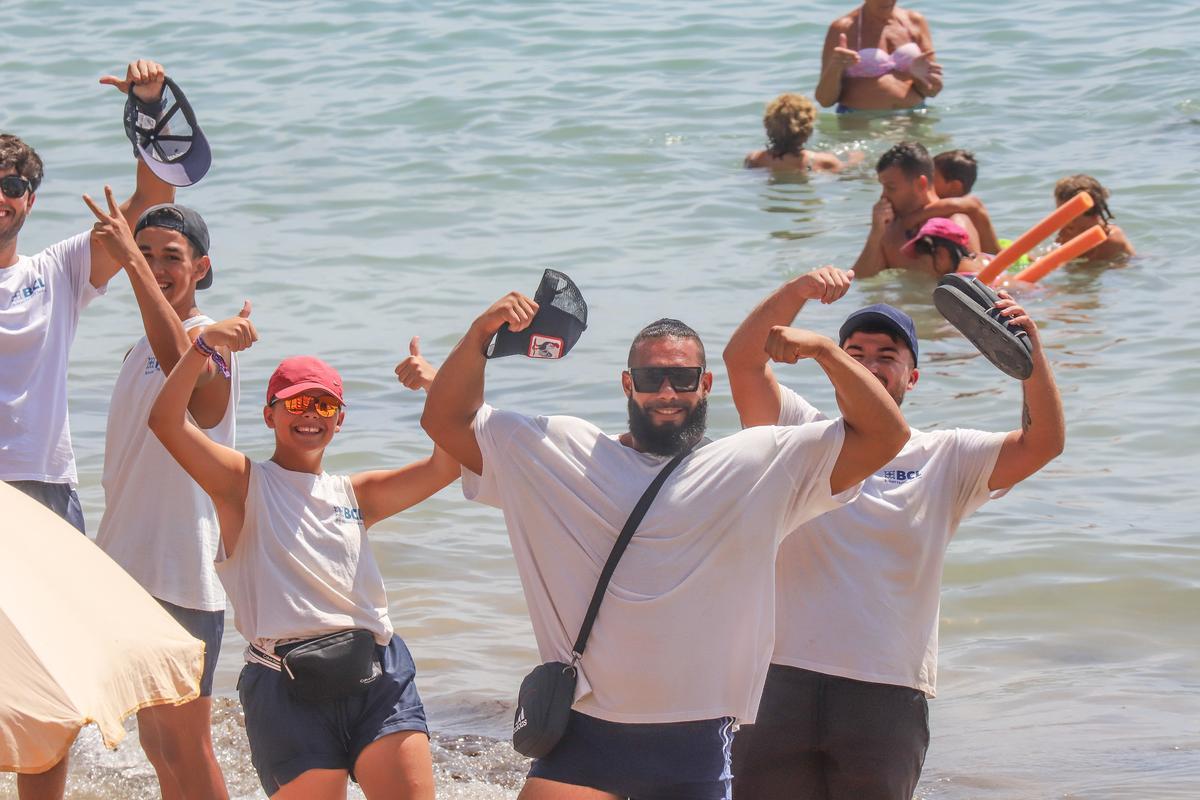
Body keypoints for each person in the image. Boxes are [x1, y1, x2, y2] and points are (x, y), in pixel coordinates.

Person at [420, 291, 908, 800]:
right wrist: (481, 333)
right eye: (652, 379)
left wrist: (828, 353)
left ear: (707, 384)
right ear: (628, 384)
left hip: (694, 740)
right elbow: (446, 421)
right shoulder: (562, 451)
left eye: (684, 378)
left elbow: (883, 436)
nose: (668, 392)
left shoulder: (758, 462)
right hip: (584, 733)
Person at [722, 267, 1065, 800]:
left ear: (913, 377)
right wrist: (798, 293)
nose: (869, 366)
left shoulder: (947, 455)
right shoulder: (796, 429)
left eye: (887, 357)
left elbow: (1042, 443)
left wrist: (1029, 356)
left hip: (886, 688)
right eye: (854, 353)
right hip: (776, 680)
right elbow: (743, 362)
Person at [148, 309, 455, 800]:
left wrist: (436, 388)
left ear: (340, 419)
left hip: (376, 674)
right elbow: (165, 421)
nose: (310, 414)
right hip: (283, 683)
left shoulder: (359, 493)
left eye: (324, 405)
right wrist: (203, 345)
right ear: (269, 414)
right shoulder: (241, 484)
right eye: (296, 403)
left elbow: (449, 464)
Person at [0, 58, 175, 800]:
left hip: (42, 488)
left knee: (55, 674)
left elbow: (154, 200)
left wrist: (150, 105)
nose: (0, 198)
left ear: (29, 199)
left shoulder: (59, 270)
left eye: (12, 187)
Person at [82, 191, 233, 800]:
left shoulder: (211, 339)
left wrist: (134, 267)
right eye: (142, 254)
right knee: (155, 744)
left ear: (201, 267)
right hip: (126, 567)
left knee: (186, 743)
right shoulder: (137, 347)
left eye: (170, 256)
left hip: (181, 572)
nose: (154, 265)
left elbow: (191, 380)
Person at [853, 142, 989, 278]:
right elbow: (862, 278)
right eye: (883, 187)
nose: (883, 195)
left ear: (920, 183)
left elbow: (974, 289)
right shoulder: (891, 230)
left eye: (891, 187)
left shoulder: (954, 225)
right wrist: (876, 233)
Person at [815, 1, 942, 113]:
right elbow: (825, 100)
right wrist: (835, 67)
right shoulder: (843, 28)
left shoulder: (915, 21)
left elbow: (932, 91)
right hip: (861, 122)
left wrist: (920, 79)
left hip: (914, 116)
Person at [744, 93, 856, 172]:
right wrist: (854, 160)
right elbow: (846, 175)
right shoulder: (824, 161)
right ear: (808, 127)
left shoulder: (754, 159)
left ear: (767, 124)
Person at [1053, 174, 1135, 260]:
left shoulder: (1111, 239)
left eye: (1069, 216)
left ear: (1094, 215)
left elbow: (1088, 268)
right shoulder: (1066, 233)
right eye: (1060, 214)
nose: (1064, 223)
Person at [900, 217, 984, 275]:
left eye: (923, 262)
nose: (920, 266)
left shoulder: (959, 283)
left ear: (941, 253)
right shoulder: (983, 260)